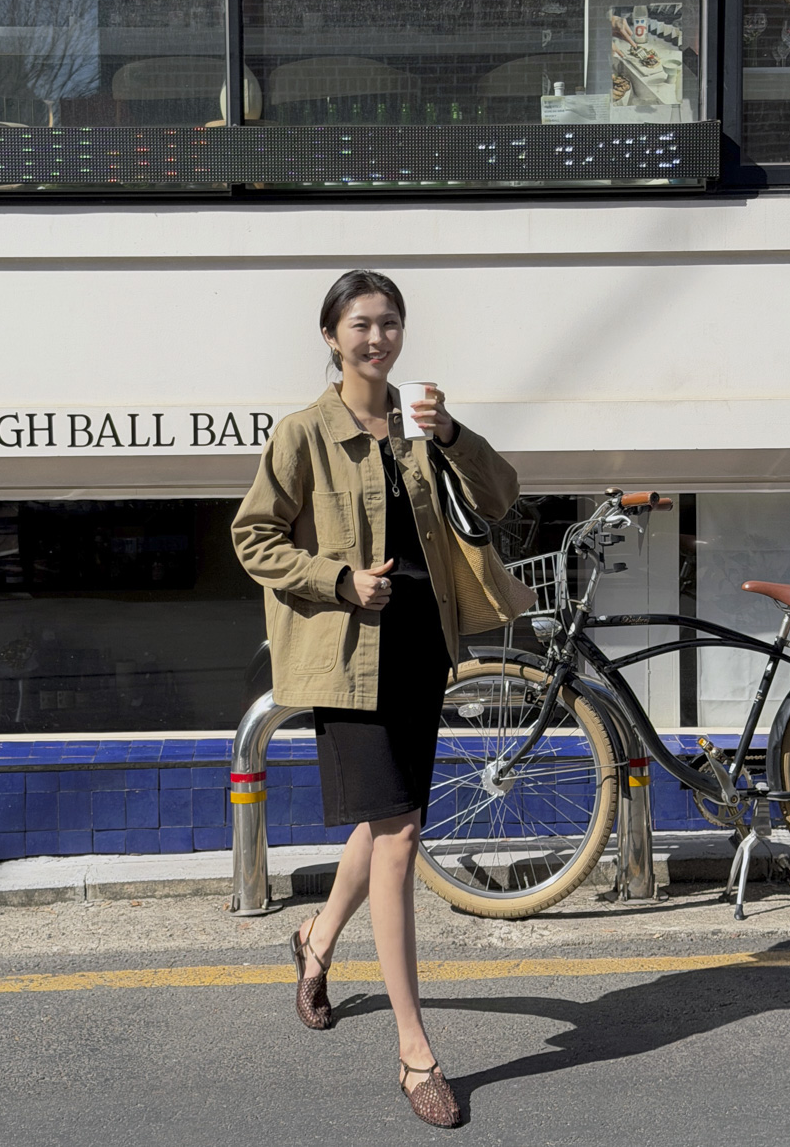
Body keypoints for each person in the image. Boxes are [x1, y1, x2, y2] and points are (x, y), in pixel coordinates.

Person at [231, 269, 519, 1129]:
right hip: (349, 656)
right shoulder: (303, 433)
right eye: (360, 324)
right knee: (397, 836)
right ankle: (414, 1051)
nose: (377, 338)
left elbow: (502, 495)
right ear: (331, 336)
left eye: (389, 323)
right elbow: (253, 536)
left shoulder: (421, 426)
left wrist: (453, 433)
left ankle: (315, 942)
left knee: (387, 820)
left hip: (422, 649)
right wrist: (338, 580)